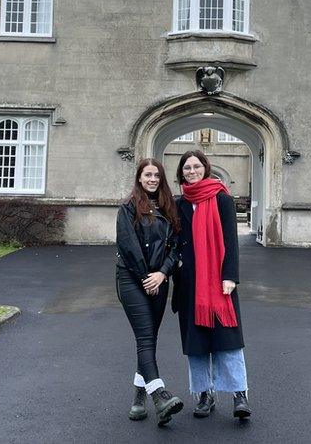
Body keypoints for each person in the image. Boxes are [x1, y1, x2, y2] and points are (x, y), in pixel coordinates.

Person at [173, 150, 252, 419]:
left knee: (227, 339)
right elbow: (172, 239)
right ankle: (205, 395)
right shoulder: (179, 203)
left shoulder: (221, 198)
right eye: (186, 168)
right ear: (181, 172)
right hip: (190, 283)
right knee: (196, 343)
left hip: (219, 282)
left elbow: (231, 240)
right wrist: (177, 264)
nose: (191, 171)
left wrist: (230, 275)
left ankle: (239, 394)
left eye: (196, 166)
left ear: (205, 168)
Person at [115, 158, 184, 425]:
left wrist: (162, 273)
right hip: (132, 279)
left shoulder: (169, 208)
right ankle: (160, 396)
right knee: (144, 337)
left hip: (158, 279)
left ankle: (137, 401)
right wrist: (147, 277)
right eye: (147, 174)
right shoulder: (128, 208)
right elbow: (128, 246)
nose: (152, 179)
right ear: (139, 178)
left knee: (149, 340)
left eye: (156, 175)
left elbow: (176, 245)